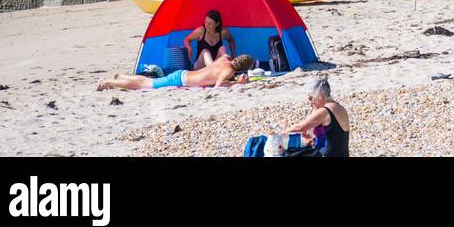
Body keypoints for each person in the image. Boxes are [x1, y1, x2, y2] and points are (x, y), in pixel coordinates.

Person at [276, 77, 350, 157]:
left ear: (319, 95)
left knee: (287, 154)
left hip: (329, 154)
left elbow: (300, 127)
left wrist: (282, 134)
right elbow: (334, 136)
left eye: (310, 98)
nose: (310, 103)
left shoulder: (324, 111)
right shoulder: (337, 106)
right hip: (343, 154)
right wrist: (311, 140)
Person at [97, 54, 254, 91]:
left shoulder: (225, 59)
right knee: (144, 85)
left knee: (146, 81)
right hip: (180, 80)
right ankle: (107, 82)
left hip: (183, 74)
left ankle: (120, 76)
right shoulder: (228, 70)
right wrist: (236, 83)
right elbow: (219, 85)